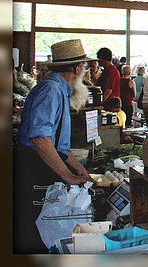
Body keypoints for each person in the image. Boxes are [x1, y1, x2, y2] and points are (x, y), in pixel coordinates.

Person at [14, 39, 93, 253]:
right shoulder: (51, 90)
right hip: (33, 167)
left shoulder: (58, 89)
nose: (86, 75)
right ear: (77, 69)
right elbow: (40, 138)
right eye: (85, 69)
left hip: (39, 164)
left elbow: (58, 144)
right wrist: (68, 177)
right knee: (32, 232)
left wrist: (78, 168)